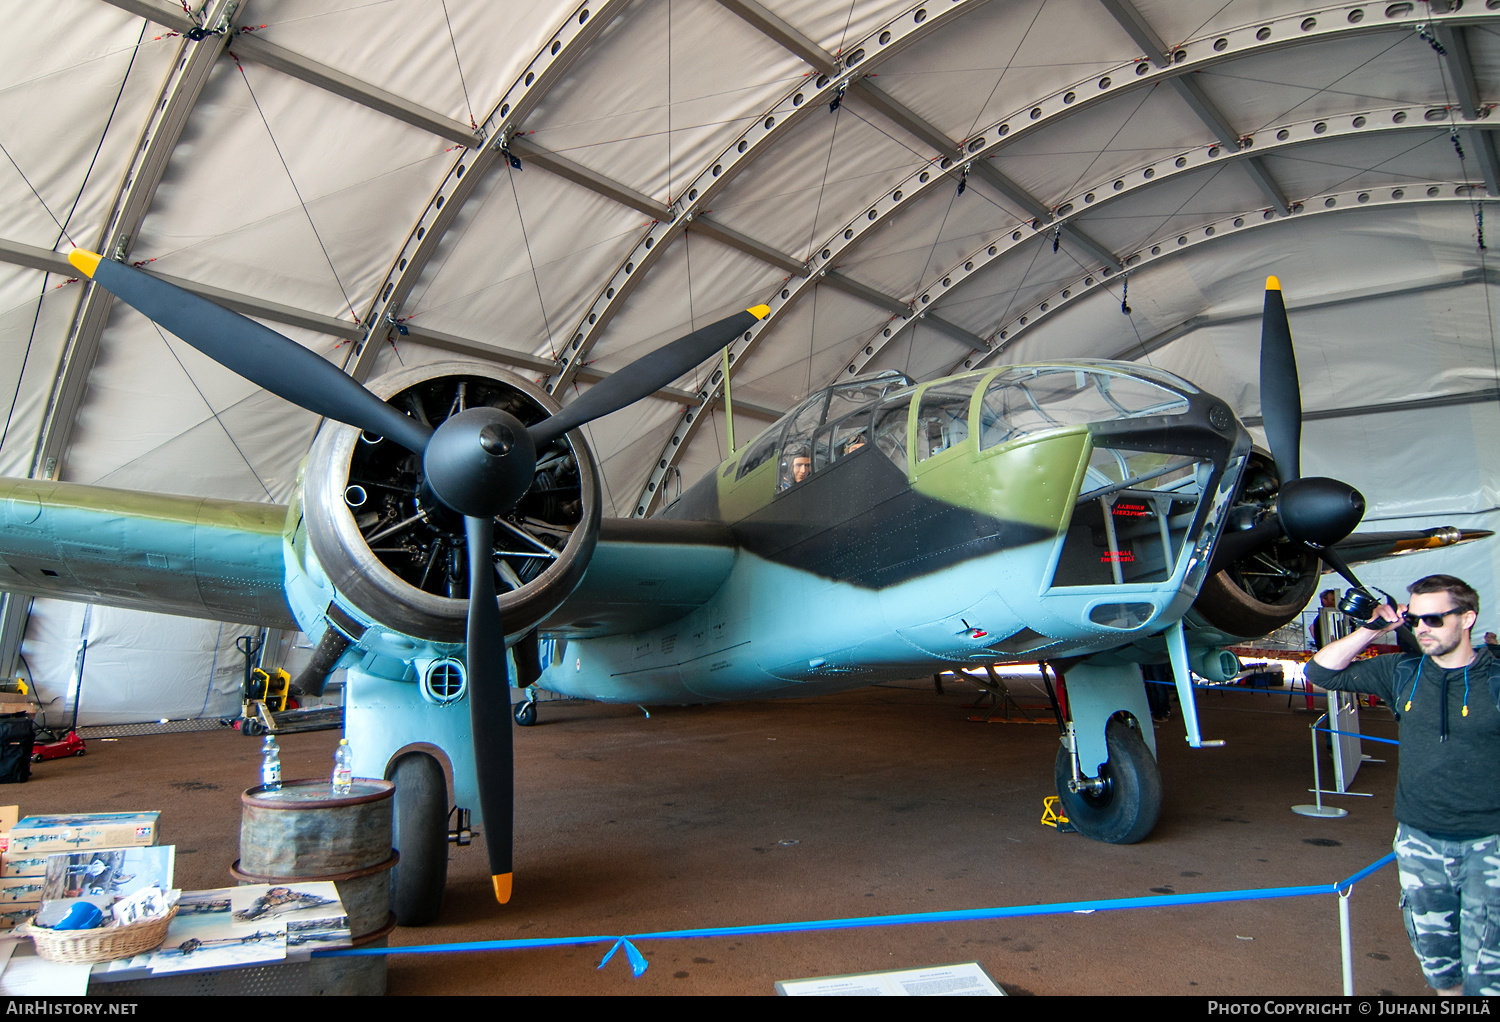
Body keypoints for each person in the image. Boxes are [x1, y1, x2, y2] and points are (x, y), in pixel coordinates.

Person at [1305, 574, 1500, 996]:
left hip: (1491, 844)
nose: (1422, 628)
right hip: (1419, 841)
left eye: (1433, 618)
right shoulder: (1402, 672)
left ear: (1467, 618)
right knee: (1440, 966)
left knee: (1489, 972)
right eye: (1415, 619)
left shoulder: (1496, 678)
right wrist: (1372, 629)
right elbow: (1320, 672)